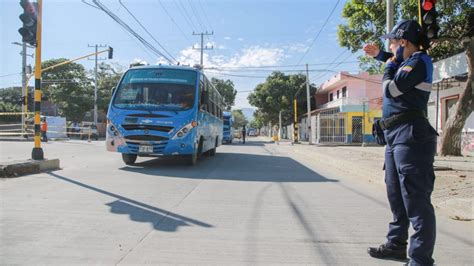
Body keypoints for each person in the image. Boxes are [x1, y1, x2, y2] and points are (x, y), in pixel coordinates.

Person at [364, 20, 437, 266]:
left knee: (415, 199)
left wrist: (388, 64)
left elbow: (392, 89)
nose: (391, 45)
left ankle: (420, 260)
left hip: (412, 135)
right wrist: (381, 56)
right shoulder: (405, 61)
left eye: (393, 42)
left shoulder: (419, 61)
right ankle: (396, 245)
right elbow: (394, 61)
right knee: (396, 194)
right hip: (395, 137)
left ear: (403, 42)